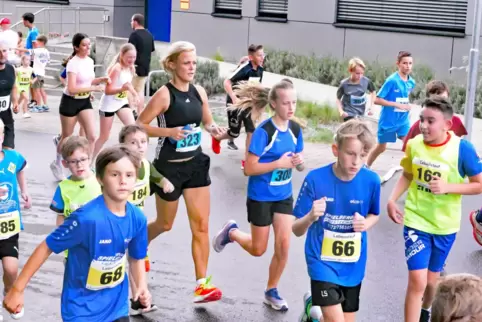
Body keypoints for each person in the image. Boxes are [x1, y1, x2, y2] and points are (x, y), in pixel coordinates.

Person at [3, 145, 152, 322]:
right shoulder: (86, 219)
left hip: (116, 307)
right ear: (100, 179)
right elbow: (46, 247)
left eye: (129, 175)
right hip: (81, 310)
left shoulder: (138, 218)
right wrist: (17, 289)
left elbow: (136, 257)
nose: (122, 181)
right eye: (114, 174)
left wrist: (142, 286)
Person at [136, 41, 226, 303]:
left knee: (201, 226)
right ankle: (140, 244)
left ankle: (202, 285)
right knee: (165, 224)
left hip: (195, 165)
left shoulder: (199, 91)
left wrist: (215, 130)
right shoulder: (164, 94)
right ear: (172, 64)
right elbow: (140, 125)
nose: (192, 68)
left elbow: (207, 122)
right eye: (187, 63)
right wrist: (169, 132)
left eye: (195, 63)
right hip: (169, 169)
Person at [386, 96, 482, 322]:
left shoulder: (462, 149)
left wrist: (448, 186)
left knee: (431, 283)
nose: (423, 125)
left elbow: (479, 184)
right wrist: (391, 199)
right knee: (417, 281)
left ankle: (425, 310)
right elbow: (408, 175)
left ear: (447, 125)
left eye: (431, 121)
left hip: (444, 226)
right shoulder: (414, 144)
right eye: (422, 119)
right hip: (416, 221)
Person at [213, 79, 304, 311]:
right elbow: (249, 169)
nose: (291, 108)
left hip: (283, 195)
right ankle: (231, 232)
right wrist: (278, 163)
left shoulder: (295, 130)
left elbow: (297, 164)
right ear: (274, 104)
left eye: (294, 102)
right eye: (286, 103)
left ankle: (271, 290)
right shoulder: (264, 132)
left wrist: (299, 163)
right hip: (261, 196)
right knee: (258, 249)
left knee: (284, 246)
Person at [293, 119, 380, 322]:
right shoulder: (315, 179)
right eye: (350, 153)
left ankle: (313, 316)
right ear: (335, 149)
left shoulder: (371, 181)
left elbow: (374, 214)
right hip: (321, 263)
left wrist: (365, 224)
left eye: (362, 155)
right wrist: (310, 216)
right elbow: (296, 229)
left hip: (353, 265)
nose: (356, 161)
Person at [118, 124, 173, 316]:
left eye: (143, 142)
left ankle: (138, 300)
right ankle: (133, 300)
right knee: (128, 260)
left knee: (135, 259)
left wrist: (165, 183)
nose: (139, 146)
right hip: (120, 221)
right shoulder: (122, 168)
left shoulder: (147, 165)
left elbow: (157, 177)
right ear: (123, 146)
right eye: (133, 143)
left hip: (138, 221)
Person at [49, 33, 109, 181]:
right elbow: (72, 88)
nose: (88, 47)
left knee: (92, 136)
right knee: (66, 137)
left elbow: (87, 80)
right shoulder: (72, 63)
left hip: (84, 101)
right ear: (76, 47)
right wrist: (93, 89)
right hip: (70, 101)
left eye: (89, 44)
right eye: (84, 45)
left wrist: (99, 80)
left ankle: (87, 165)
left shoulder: (89, 61)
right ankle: (56, 163)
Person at [49, 135, 101, 261]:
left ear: (90, 158)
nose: (79, 165)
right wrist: (62, 238)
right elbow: (61, 216)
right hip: (73, 250)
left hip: (99, 245)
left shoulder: (101, 180)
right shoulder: (63, 188)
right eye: (73, 161)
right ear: (64, 163)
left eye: (83, 159)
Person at [0, 117, 31, 319]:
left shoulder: (13, 157)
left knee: (11, 270)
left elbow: (20, 170)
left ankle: (9, 293)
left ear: (2, 136)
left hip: (8, 225)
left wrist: (24, 191)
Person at [212, 44, 265, 156]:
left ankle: (247, 160)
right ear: (251, 57)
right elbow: (226, 82)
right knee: (234, 133)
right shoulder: (245, 68)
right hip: (235, 103)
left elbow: (256, 87)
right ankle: (216, 138)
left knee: (251, 130)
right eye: (259, 55)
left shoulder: (260, 69)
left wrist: (258, 103)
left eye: (263, 54)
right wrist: (234, 97)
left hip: (248, 104)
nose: (262, 57)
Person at [366, 51, 415, 168]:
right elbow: (377, 100)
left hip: (403, 121)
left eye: (410, 63)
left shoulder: (411, 82)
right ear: (398, 64)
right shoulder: (392, 81)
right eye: (405, 63)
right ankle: (366, 166)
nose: (408, 66)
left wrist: (407, 106)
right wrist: (396, 105)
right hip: (388, 122)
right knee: (381, 147)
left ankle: (409, 171)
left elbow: (404, 97)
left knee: (410, 145)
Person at [93, 43, 139, 160]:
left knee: (133, 129)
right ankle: (89, 160)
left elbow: (128, 85)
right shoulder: (116, 68)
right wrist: (122, 89)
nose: (132, 60)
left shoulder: (131, 68)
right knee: (104, 136)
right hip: (108, 105)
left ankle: (129, 157)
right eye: (129, 57)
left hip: (121, 102)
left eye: (134, 57)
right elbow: (108, 90)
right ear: (122, 55)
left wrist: (133, 96)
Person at [402, 80, 467, 152]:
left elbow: (458, 146)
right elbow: (407, 152)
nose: (440, 104)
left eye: (443, 99)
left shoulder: (456, 121)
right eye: (435, 100)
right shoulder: (417, 126)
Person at [128, 13, 155, 115]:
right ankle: (140, 112)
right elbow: (151, 49)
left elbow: (129, 52)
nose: (131, 23)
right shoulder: (149, 35)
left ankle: (131, 111)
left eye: (131, 21)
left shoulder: (134, 35)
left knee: (129, 90)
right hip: (145, 68)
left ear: (135, 22)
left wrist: (129, 66)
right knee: (140, 91)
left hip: (134, 67)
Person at [17, 34, 50, 112]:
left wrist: (16, 48)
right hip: (42, 72)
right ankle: (45, 105)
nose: (36, 43)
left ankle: (38, 106)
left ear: (42, 42)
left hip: (37, 73)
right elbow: (48, 61)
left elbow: (26, 51)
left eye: (37, 41)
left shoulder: (37, 50)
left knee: (36, 90)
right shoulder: (46, 51)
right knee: (42, 90)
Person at [336, 57, 376, 122]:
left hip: (360, 114)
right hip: (348, 114)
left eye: (362, 73)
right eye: (357, 73)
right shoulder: (344, 84)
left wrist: (372, 106)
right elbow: (338, 99)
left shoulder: (366, 81)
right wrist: (341, 111)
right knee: (351, 130)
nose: (360, 76)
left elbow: (373, 92)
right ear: (350, 71)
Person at [0, 42, 19, 150]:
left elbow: (14, 87)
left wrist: (15, 102)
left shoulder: (11, 69)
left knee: (9, 151)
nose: (2, 54)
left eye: (4, 51)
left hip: (6, 115)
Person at [21, 12, 39, 109]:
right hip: (28, 58)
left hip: (32, 59)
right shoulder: (30, 31)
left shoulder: (33, 32)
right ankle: (33, 100)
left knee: (32, 80)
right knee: (29, 80)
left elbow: (35, 47)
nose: (22, 22)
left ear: (27, 21)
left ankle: (35, 100)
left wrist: (31, 59)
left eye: (23, 20)